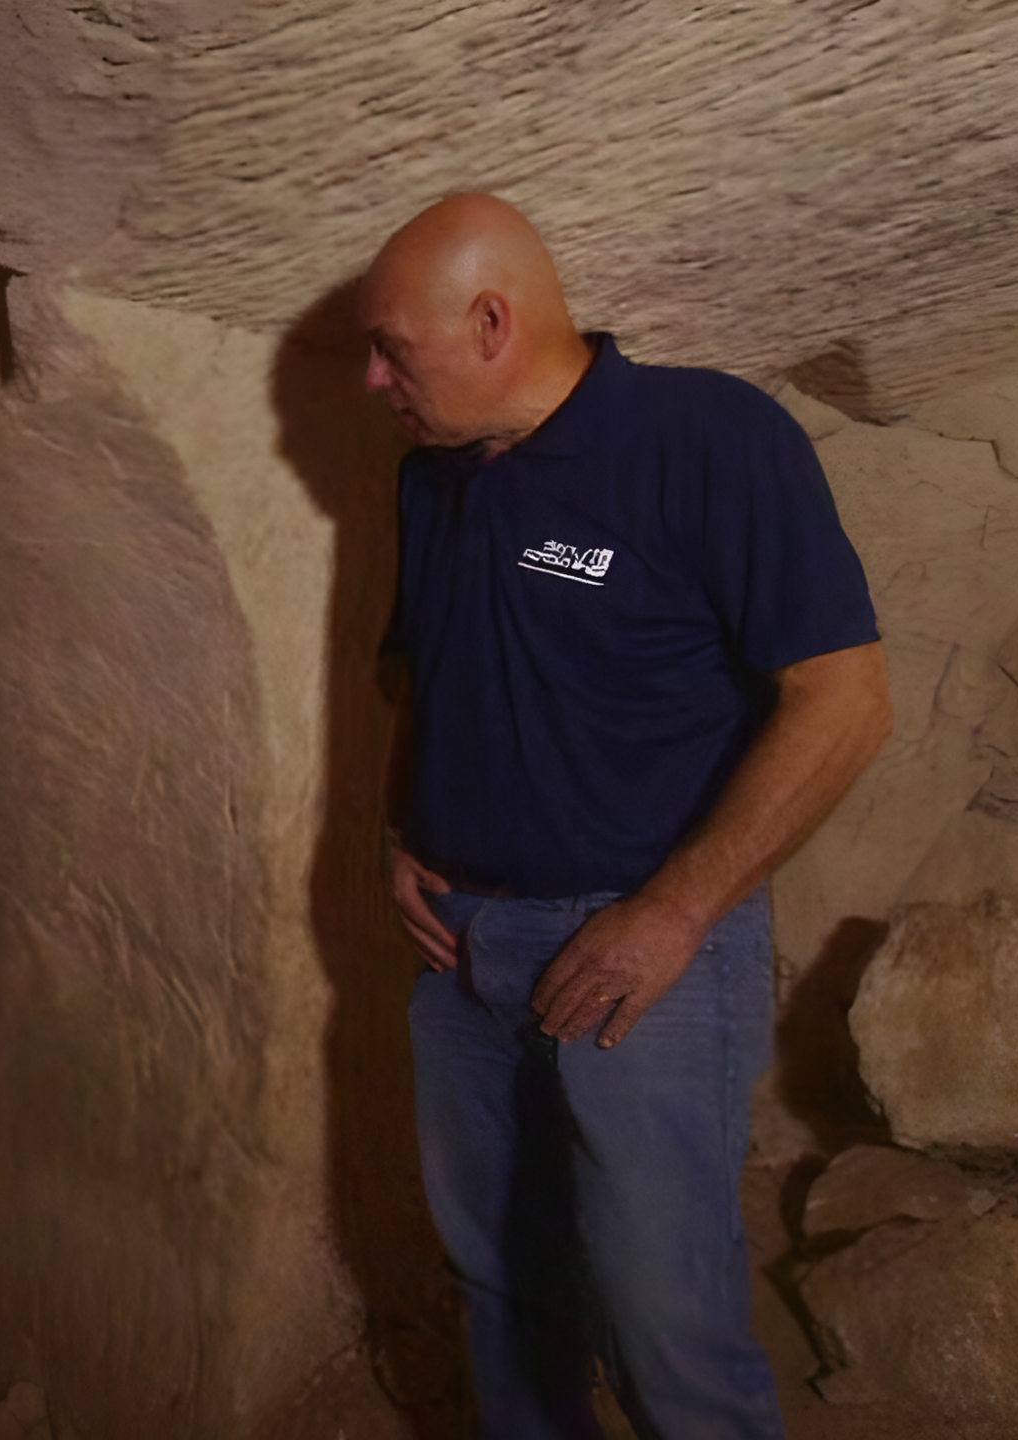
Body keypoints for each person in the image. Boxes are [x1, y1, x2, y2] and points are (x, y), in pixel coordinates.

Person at [358, 194, 893, 1438]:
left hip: (644, 958)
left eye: (391, 349)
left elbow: (846, 703)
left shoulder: (708, 438)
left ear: (492, 323)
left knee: (665, 1323)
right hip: (461, 950)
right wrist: (398, 831)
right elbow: (422, 673)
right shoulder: (431, 481)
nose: (372, 380)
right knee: (505, 1287)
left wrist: (672, 915)